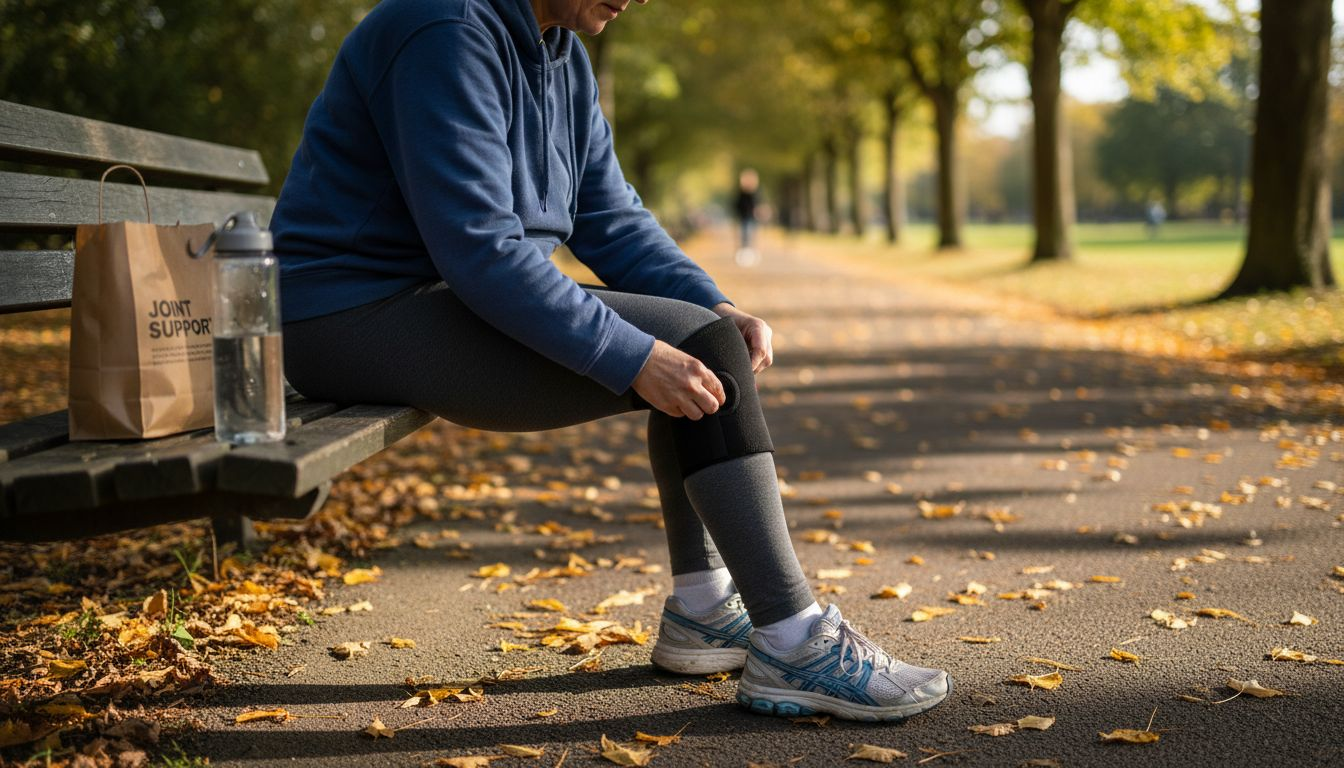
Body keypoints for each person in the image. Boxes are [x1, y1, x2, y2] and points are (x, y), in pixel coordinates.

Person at [270, 0, 950, 722]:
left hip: (435, 295)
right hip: (348, 315)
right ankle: (793, 640)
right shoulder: (445, 29)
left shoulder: (561, 53)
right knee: (689, 354)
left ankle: (706, 610)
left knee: (704, 341)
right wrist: (628, 356)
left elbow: (609, 215)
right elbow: (479, 246)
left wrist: (712, 304)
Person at [734, 168, 761, 267]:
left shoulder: (756, 193)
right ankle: (743, 256)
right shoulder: (741, 193)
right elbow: (737, 205)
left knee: (751, 236)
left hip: (752, 218)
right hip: (743, 217)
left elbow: (758, 204)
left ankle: (750, 256)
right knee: (744, 237)